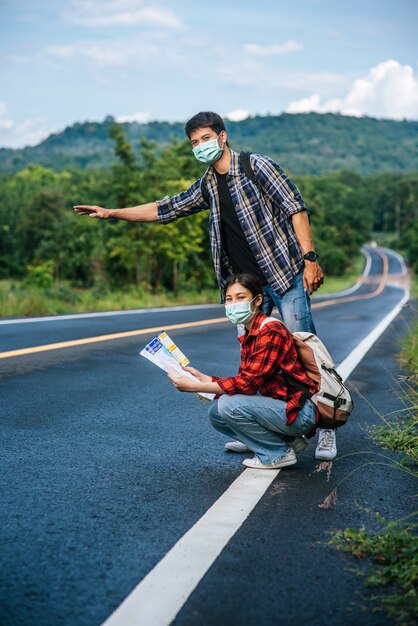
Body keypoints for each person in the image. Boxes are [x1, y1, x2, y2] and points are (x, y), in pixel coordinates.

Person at [73, 110, 336, 461]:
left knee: (305, 353)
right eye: (194, 142)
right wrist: (111, 212)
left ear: (222, 137)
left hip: (284, 275)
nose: (200, 146)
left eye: (205, 139)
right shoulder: (207, 186)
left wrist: (310, 258)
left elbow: (295, 208)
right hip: (247, 291)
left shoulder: (257, 166)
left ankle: (328, 430)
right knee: (253, 360)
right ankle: (256, 426)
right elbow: (163, 209)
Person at [168, 273, 318, 469]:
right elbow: (245, 380)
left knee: (228, 405)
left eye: (241, 297)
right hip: (282, 407)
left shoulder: (270, 331)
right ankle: (287, 441)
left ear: (257, 300)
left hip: (298, 413)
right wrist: (201, 378)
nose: (233, 304)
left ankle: (276, 454)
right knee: (217, 412)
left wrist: (194, 387)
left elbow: (248, 384)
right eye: (229, 299)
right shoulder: (251, 332)